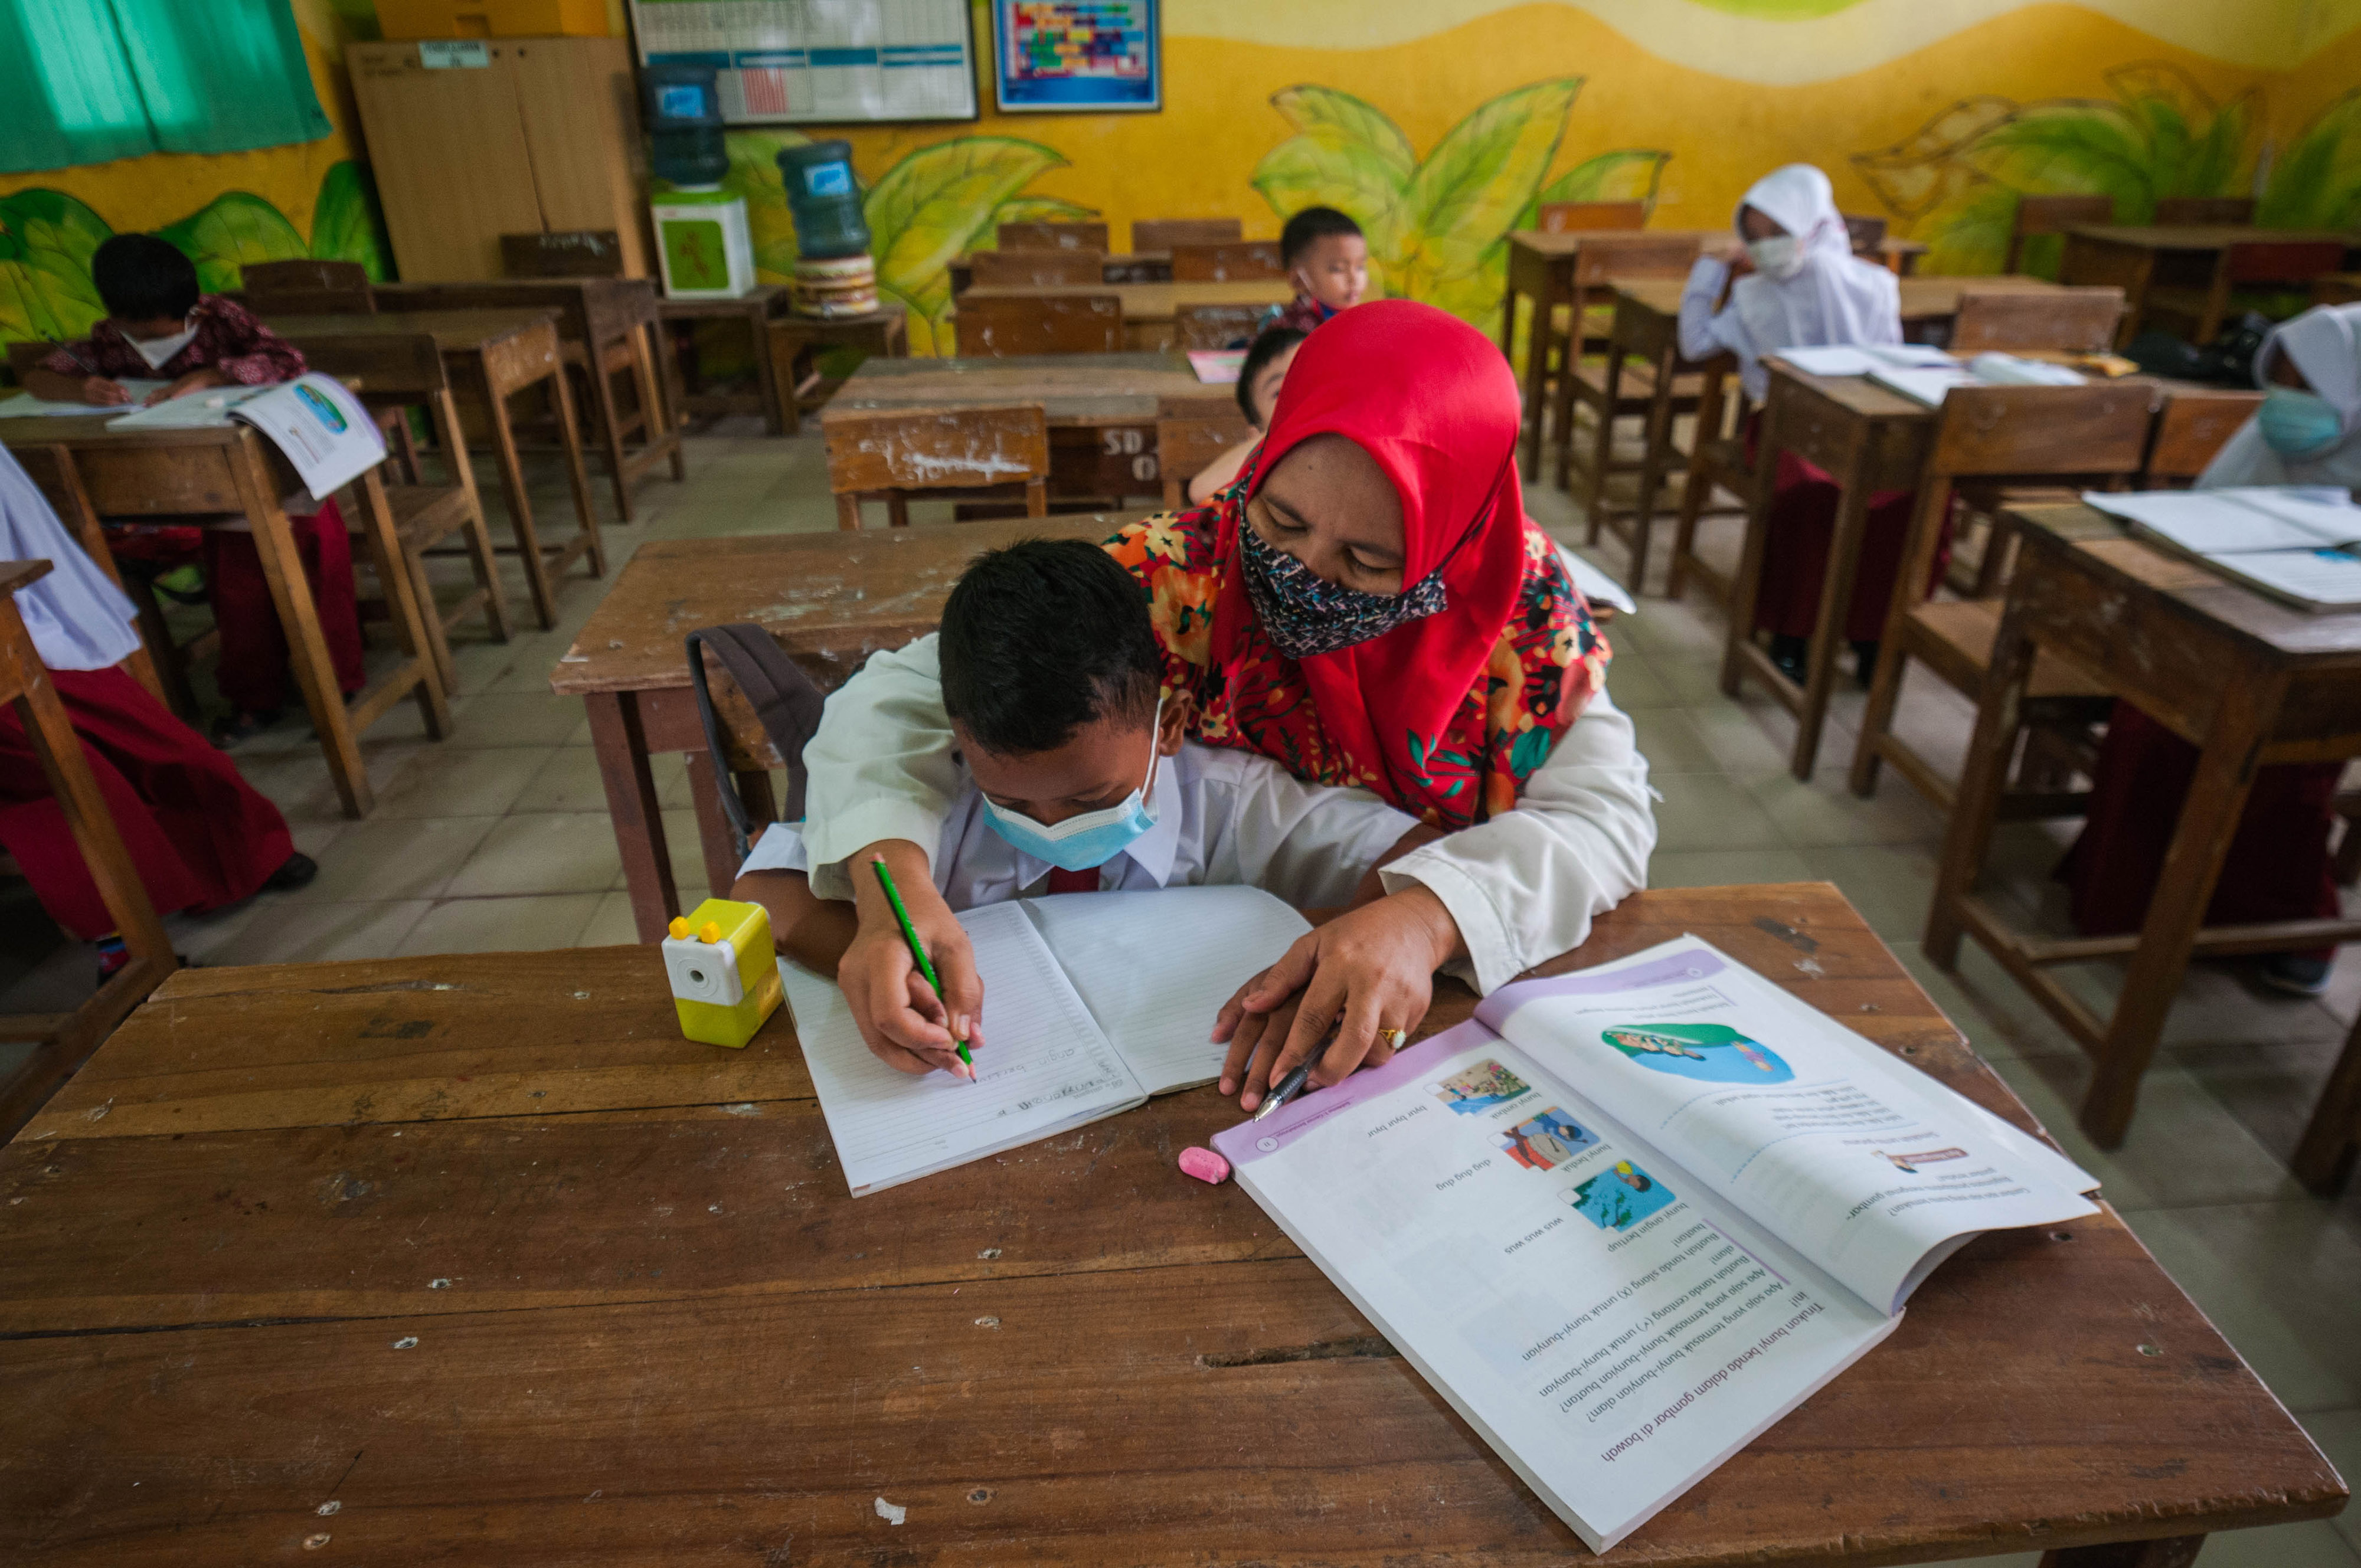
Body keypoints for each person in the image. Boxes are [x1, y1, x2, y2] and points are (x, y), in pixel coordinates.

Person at [794, 300, 1656, 1110]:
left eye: (1365, 563)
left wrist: (1428, 917)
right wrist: (889, 896)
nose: (1308, 575)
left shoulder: (1527, 633)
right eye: (1281, 519)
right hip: (1246, 944)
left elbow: (1607, 820)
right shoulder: (1179, 577)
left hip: (1442, 984)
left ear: (1453, 546)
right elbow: (909, 692)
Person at [734, 539, 1431, 1076]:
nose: (1049, 826)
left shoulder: (1232, 804)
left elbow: (1419, 853)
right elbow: (769, 890)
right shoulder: (927, 804)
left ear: (1172, 725)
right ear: (960, 744)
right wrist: (892, 959)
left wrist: (1363, 944)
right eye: (1008, 800)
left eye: (1091, 798)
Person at [2060, 302, 2361, 996]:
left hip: (2315, 652)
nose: (2287, 404)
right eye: (2277, 381)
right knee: (2155, 729)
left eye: (2307, 387)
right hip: (2202, 632)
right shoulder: (2263, 440)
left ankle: (2284, 913)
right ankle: (2129, 902)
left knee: (2290, 767)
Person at [24, 234, 365, 747]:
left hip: (284, 473)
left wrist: (210, 375)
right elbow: (40, 378)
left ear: (191, 307)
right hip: (197, 487)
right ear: (116, 316)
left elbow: (289, 361)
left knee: (319, 560)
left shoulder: (222, 319)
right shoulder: (109, 339)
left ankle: (337, 681)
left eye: (163, 331)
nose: (149, 340)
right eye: (136, 330)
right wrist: (81, 389)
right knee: (238, 588)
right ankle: (255, 696)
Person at [0, 445, 314, 981]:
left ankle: (243, 848)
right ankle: (121, 946)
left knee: (142, 738)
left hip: (22, 617)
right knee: (58, 786)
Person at [1679, 164, 1912, 686]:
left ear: (1814, 227)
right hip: (1785, 427)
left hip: (1860, 424)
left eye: (1778, 233)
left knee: (1901, 499)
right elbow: (1694, 344)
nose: (1766, 249)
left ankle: (1872, 636)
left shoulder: (1875, 287)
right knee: (1813, 495)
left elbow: (1893, 365)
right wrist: (1710, 273)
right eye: (1755, 237)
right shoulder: (1754, 294)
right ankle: (1793, 631)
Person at [1187, 326, 1303, 506]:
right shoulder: (1271, 454)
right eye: (1280, 392)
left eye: (1310, 375)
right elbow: (1203, 490)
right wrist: (1280, 435)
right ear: (1255, 434)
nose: (1299, 393)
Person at [1268, 207, 1368, 335]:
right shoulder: (1289, 333)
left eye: (1360, 267)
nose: (1354, 279)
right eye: (1338, 269)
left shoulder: (1364, 322)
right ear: (1298, 279)